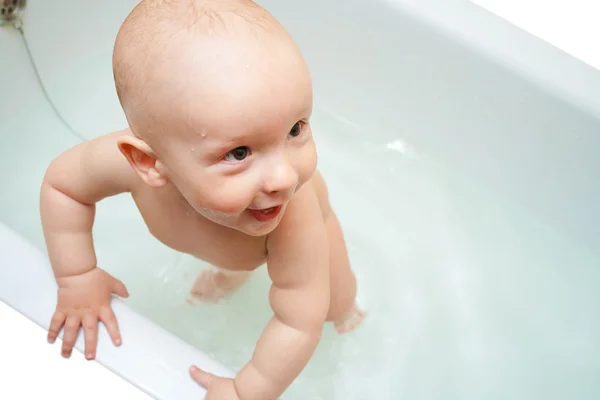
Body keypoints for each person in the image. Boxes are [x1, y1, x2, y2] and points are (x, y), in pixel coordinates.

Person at [40, 0, 365, 398]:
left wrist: (248, 390)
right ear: (148, 162)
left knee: (334, 304)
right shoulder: (123, 165)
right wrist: (77, 276)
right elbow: (62, 187)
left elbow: (298, 322)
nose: (285, 177)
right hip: (239, 230)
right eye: (240, 153)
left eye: (296, 128)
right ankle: (235, 272)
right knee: (235, 256)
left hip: (302, 229)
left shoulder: (295, 215)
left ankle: (344, 308)